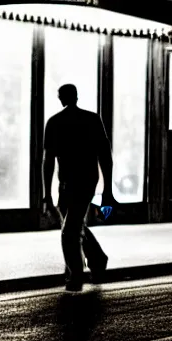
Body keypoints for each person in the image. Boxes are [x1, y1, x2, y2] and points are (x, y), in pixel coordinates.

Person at [43, 84, 112, 292]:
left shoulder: (54, 122)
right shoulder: (92, 119)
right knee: (74, 225)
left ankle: (76, 276)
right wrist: (107, 187)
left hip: (68, 183)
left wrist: (47, 193)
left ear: (60, 98)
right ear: (76, 96)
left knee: (69, 230)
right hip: (86, 180)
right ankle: (98, 259)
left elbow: (48, 161)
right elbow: (105, 155)